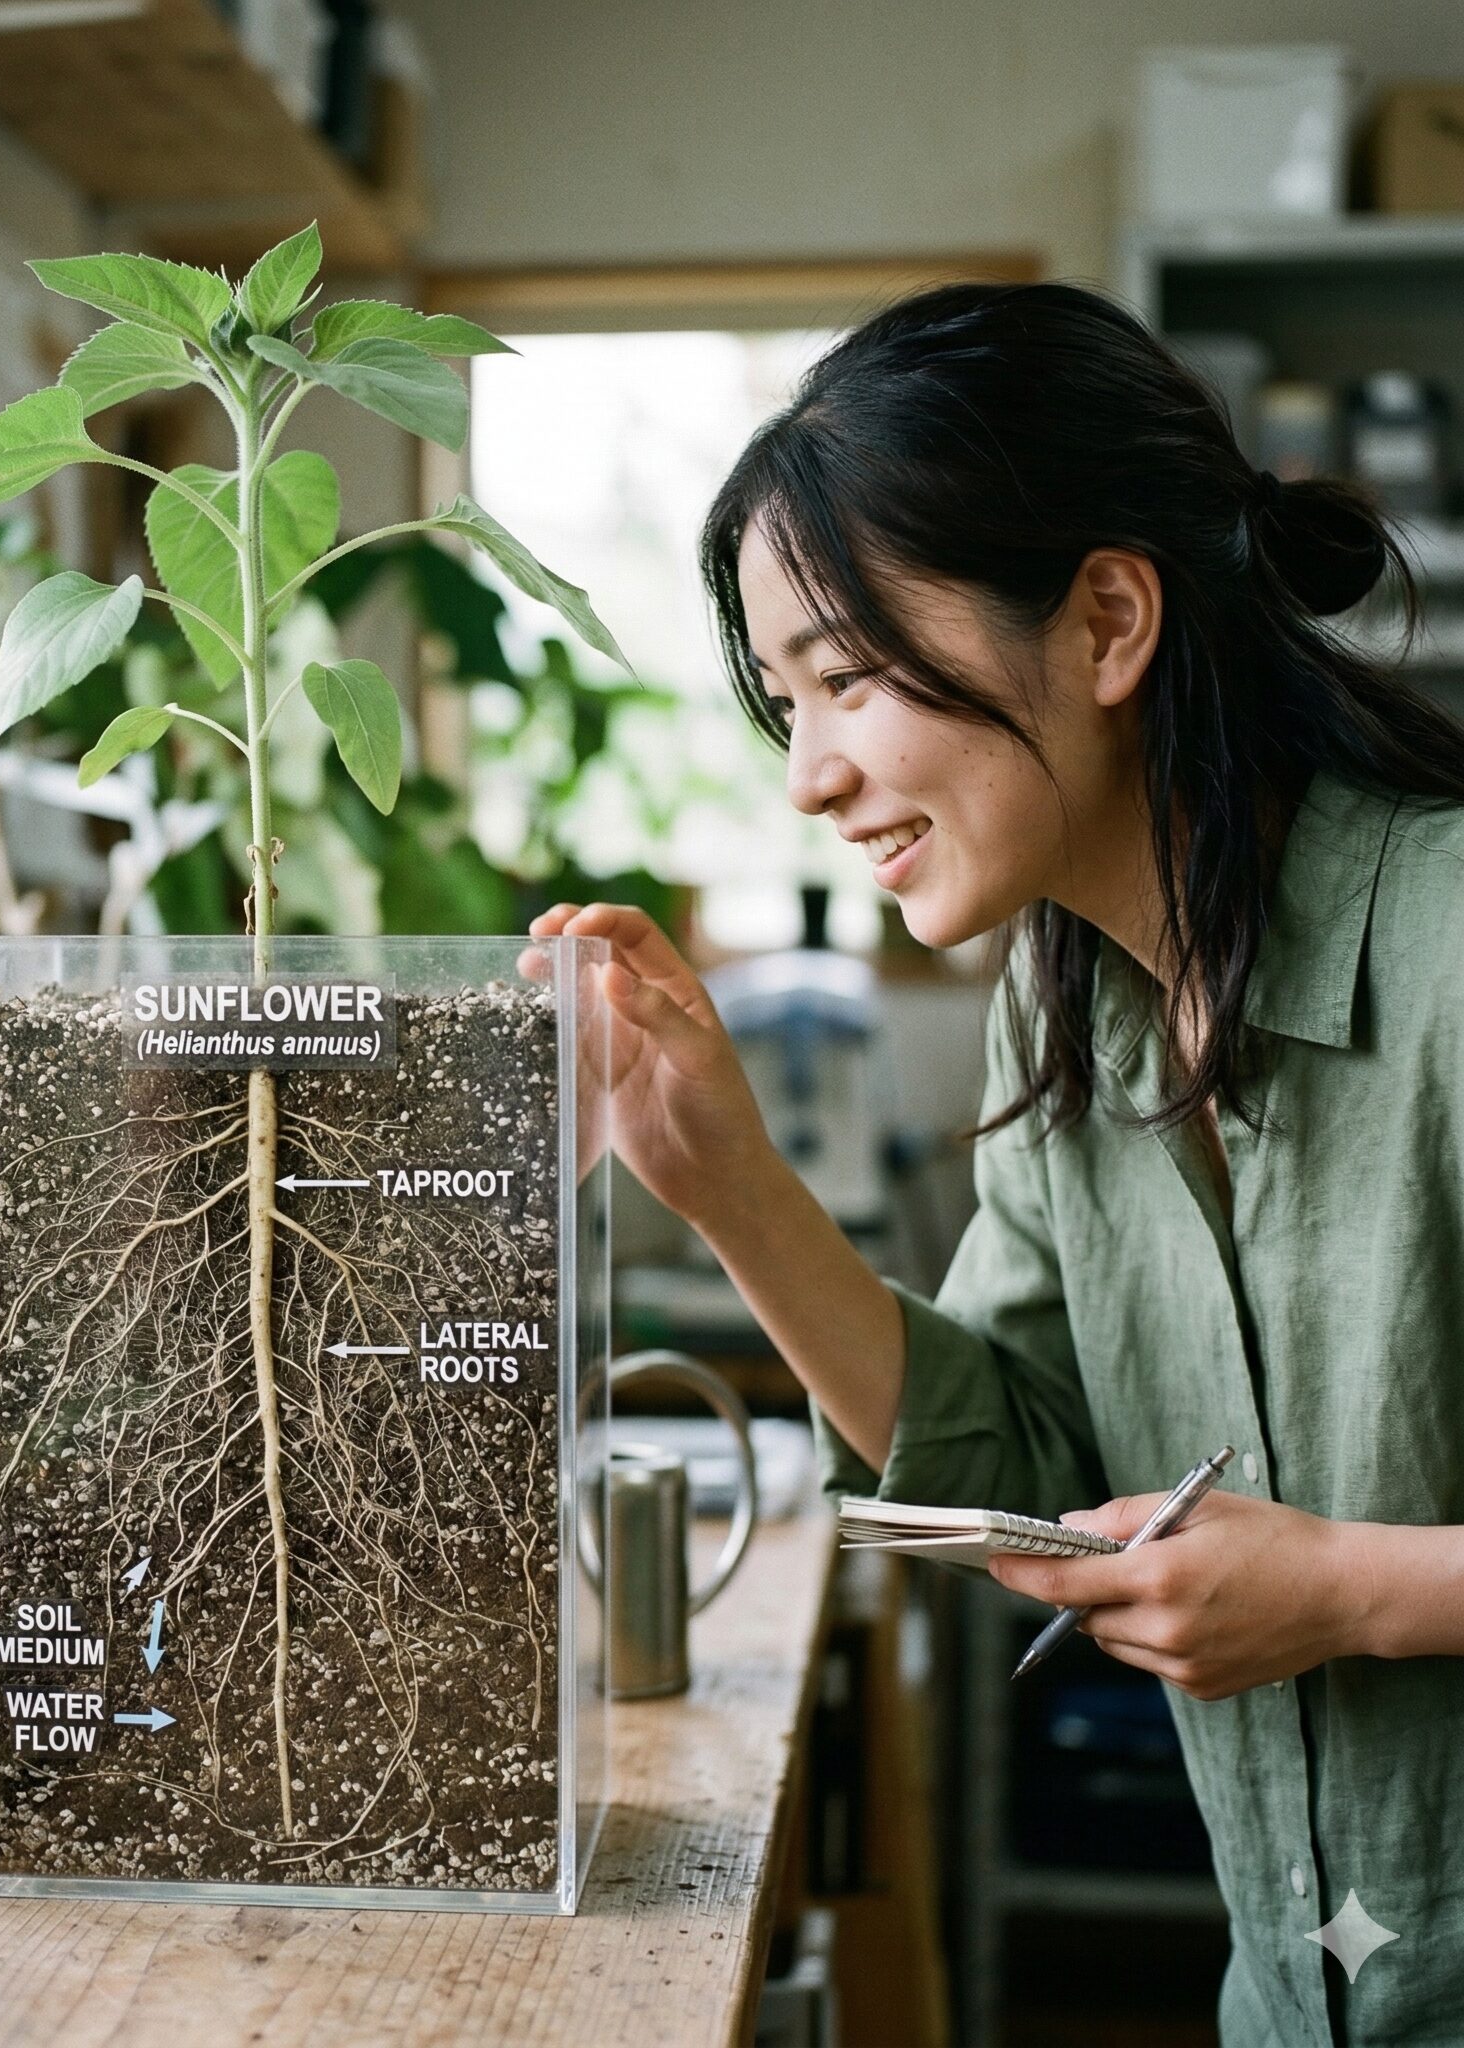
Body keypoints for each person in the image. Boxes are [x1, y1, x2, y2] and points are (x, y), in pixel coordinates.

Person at [533, 282, 1464, 2048]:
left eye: (851, 679)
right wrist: (724, 1178)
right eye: (785, 702)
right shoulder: (1065, 988)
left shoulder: (1452, 935)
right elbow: (1018, 1452)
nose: (811, 775)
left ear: (1109, 619)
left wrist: (1348, 1586)